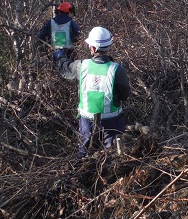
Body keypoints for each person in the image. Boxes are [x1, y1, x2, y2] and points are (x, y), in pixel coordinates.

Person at [54, 26, 131, 157]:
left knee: (84, 156)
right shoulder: (117, 70)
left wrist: (59, 56)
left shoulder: (81, 66)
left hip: (87, 123)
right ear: (108, 46)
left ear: (93, 48)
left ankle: (81, 174)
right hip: (112, 123)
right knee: (114, 157)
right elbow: (125, 95)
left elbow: (65, 69)